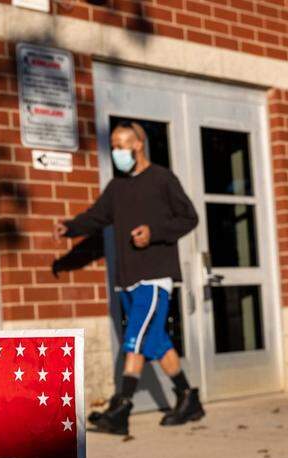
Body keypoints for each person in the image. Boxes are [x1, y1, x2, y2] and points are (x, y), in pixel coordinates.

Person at [55, 121, 204, 435]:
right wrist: (69, 228)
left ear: (139, 144)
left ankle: (121, 407)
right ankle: (188, 398)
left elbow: (189, 217)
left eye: (122, 145)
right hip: (127, 278)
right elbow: (96, 216)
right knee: (156, 341)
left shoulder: (162, 179)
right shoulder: (117, 187)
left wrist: (155, 233)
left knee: (134, 338)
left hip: (154, 276)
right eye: (113, 146)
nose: (117, 152)